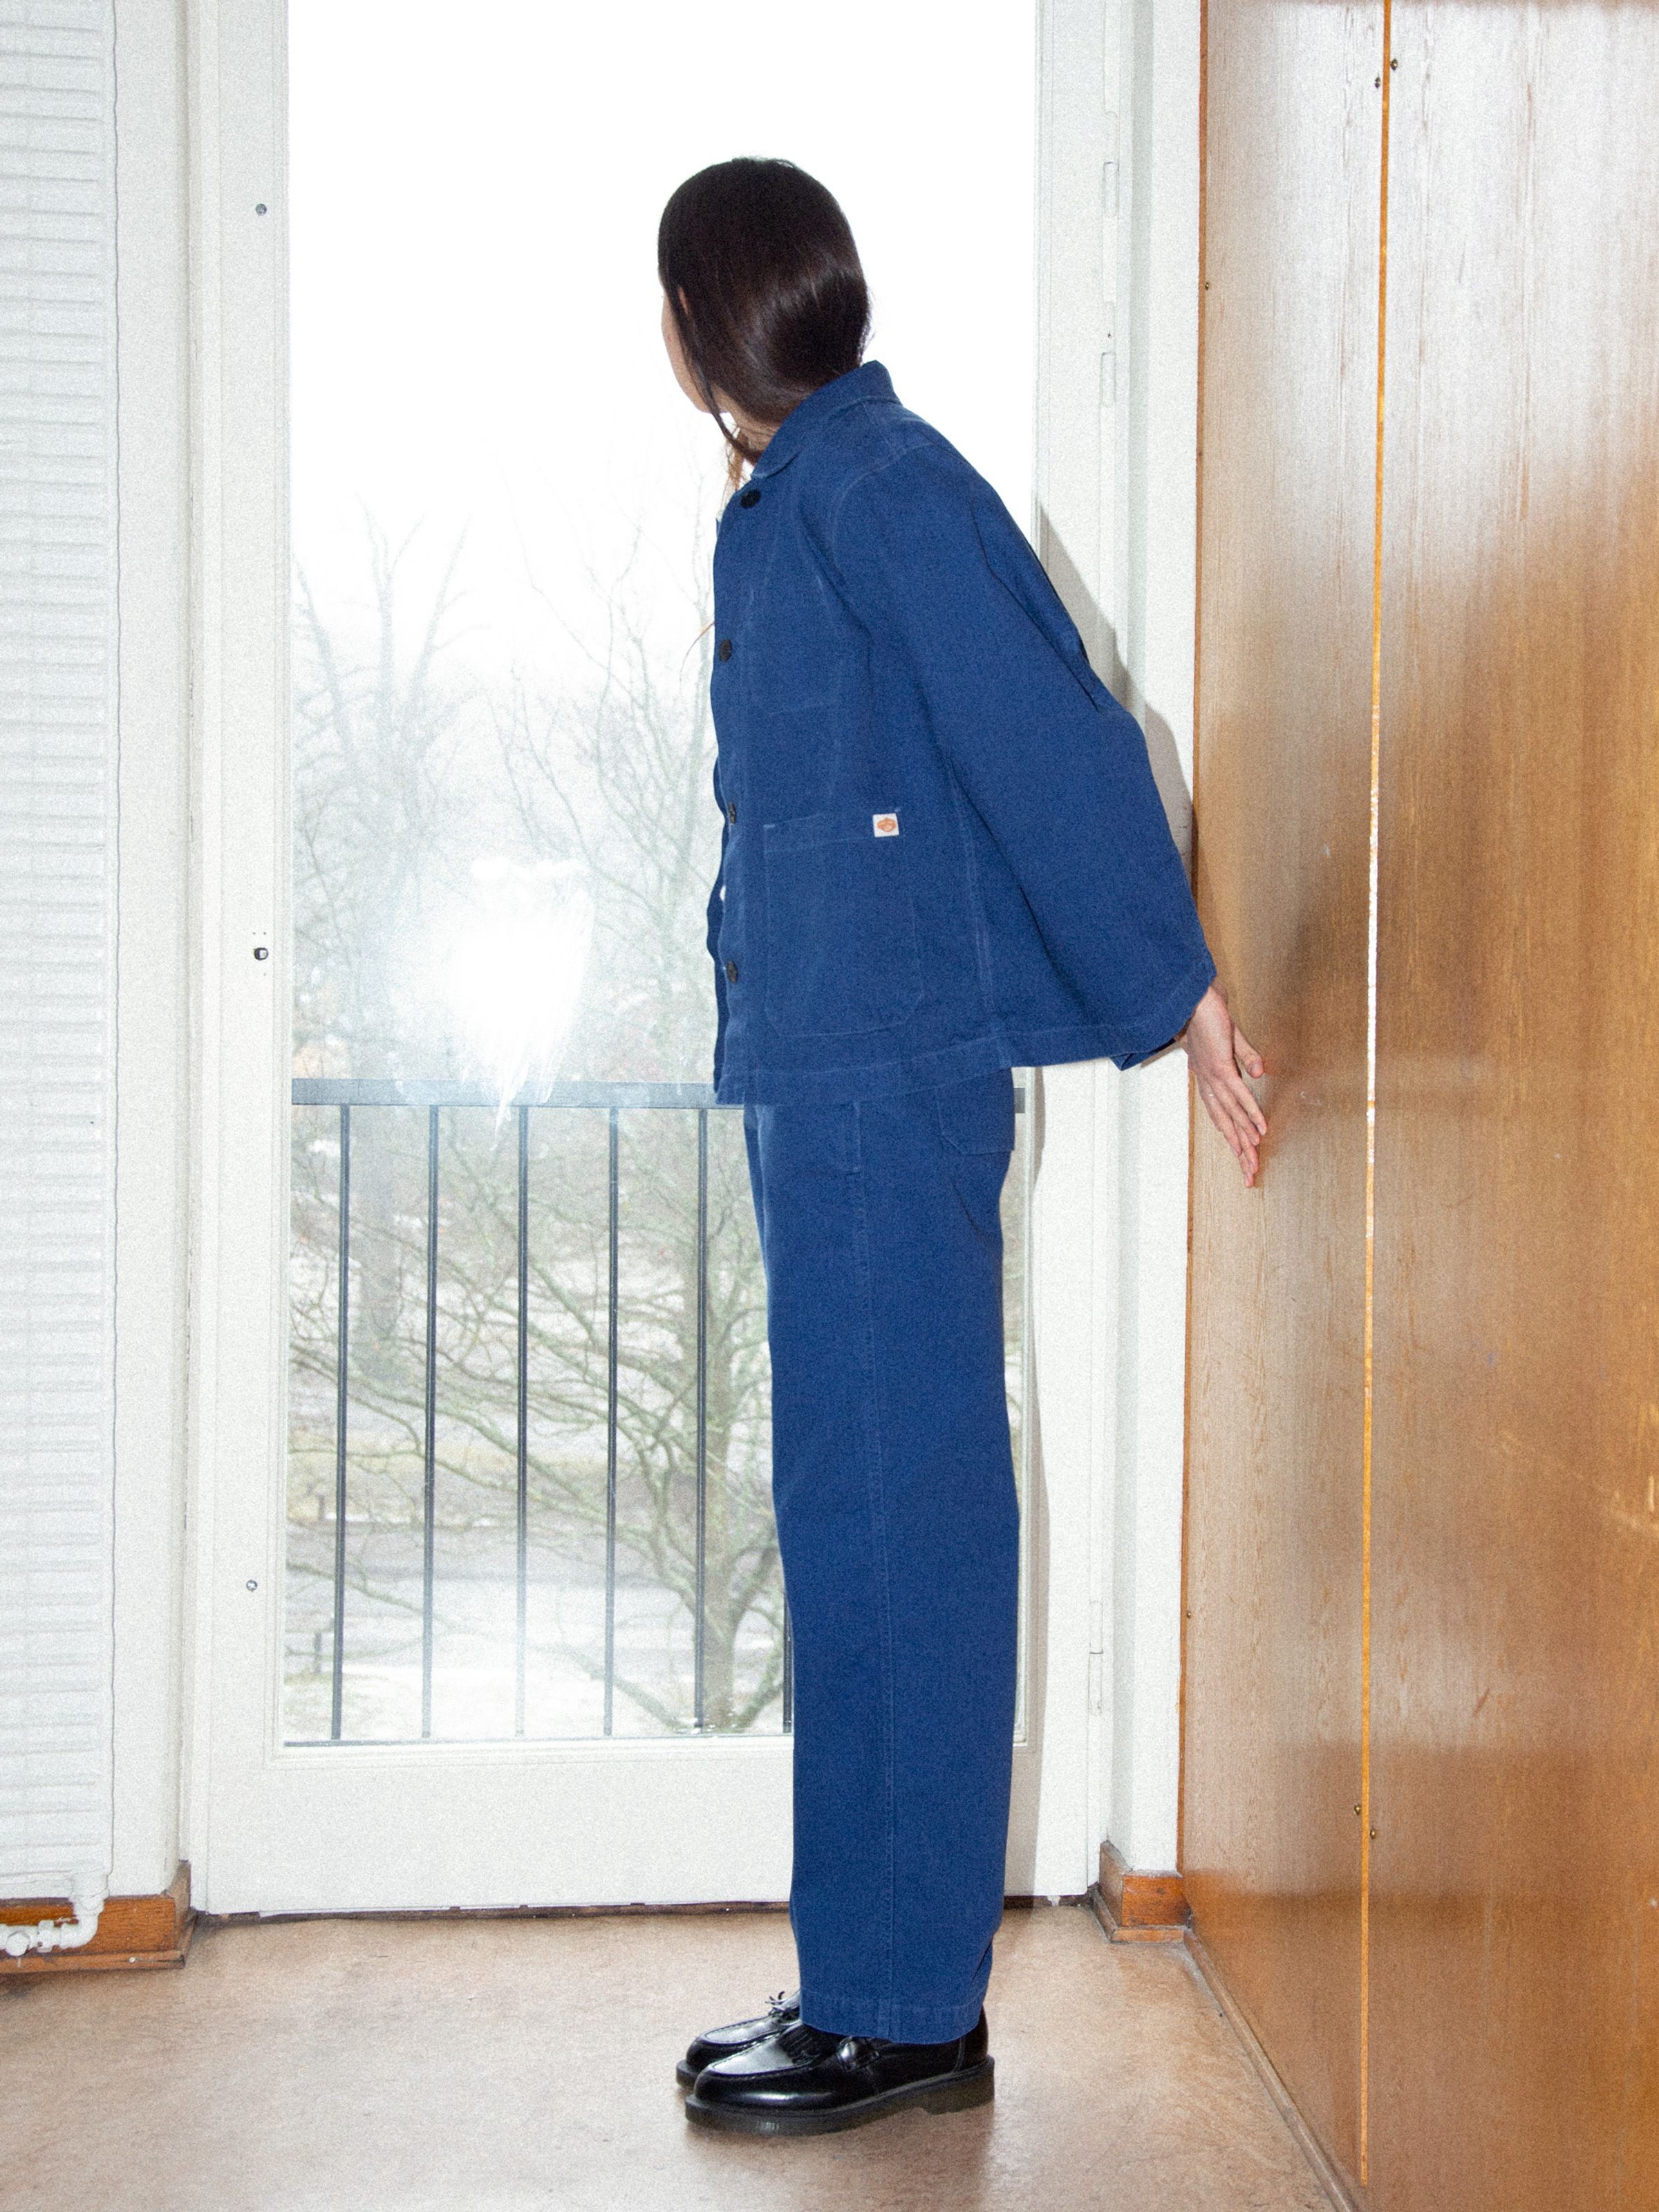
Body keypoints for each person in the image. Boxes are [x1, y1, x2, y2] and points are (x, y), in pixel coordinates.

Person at [657, 157, 1266, 2139]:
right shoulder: (811, 489)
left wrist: (1169, 987)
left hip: (879, 1086)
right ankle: (879, 1977)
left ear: (693, 333)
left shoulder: (878, 487)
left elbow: (1053, 736)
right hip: (834, 1079)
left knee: (899, 1520)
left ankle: (902, 2007)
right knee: (859, 1518)